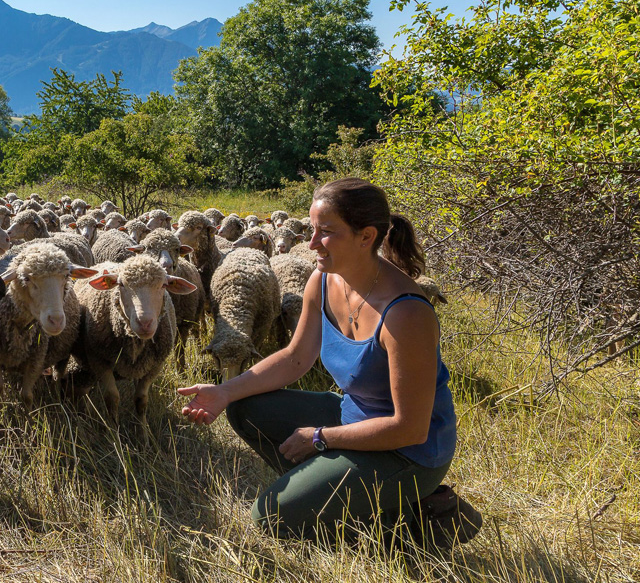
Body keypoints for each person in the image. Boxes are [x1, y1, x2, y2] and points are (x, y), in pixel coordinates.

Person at [179, 178, 479, 544]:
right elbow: (294, 358)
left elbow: (410, 428)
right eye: (313, 229)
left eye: (326, 232)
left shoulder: (406, 314)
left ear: (366, 236)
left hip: (409, 454)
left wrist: (321, 438)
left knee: (270, 518)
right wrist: (224, 392)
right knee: (243, 408)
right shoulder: (323, 279)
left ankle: (411, 522)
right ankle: (339, 496)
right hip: (353, 417)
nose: (311, 242)